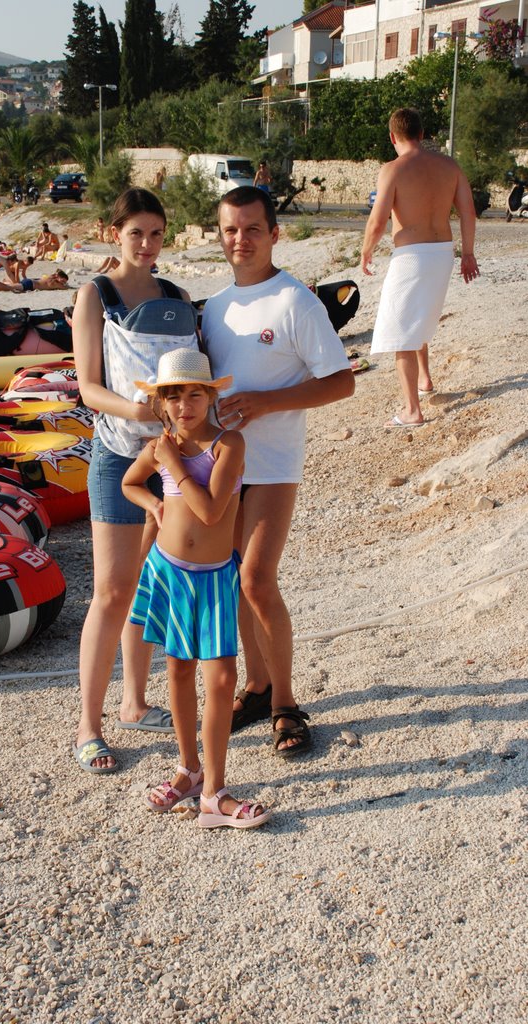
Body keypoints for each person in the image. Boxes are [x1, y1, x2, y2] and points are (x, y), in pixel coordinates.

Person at [201, 185, 355, 757]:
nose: (241, 240)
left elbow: (342, 381)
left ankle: (288, 702)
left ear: (274, 233)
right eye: (230, 230)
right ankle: (259, 686)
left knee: (258, 580)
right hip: (220, 464)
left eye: (252, 229)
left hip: (272, 465)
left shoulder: (296, 301)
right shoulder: (214, 307)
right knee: (236, 580)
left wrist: (266, 402)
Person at [71, 187, 200, 774]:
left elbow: (193, 377)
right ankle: (88, 728)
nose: (147, 245)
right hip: (119, 456)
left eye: (155, 233)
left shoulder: (177, 297)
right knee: (112, 591)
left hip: (173, 460)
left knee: (153, 587)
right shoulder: (95, 293)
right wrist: (137, 411)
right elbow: (87, 387)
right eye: (135, 234)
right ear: (113, 233)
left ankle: (134, 702)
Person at [122, 349, 271, 828]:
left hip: (214, 576)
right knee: (179, 673)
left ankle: (214, 791)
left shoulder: (229, 444)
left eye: (194, 394)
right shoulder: (159, 445)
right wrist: (154, 504)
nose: (184, 405)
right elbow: (130, 483)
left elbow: (210, 512)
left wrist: (172, 463)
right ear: (161, 403)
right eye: (173, 396)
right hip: (168, 571)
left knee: (223, 679)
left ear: (210, 395)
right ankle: (188, 769)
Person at [361, 107, 480, 427]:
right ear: (422, 134)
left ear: (392, 137)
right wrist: (467, 253)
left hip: (411, 256)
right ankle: (425, 379)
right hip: (443, 253)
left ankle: (412, 410)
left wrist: (366, 250)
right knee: (420, 317)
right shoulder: (450, 166)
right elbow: (468, 213)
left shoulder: (392, 169)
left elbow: (378, 218)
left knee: (401, 331)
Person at [0, 268, 70, 292]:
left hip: (29, 281)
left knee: (8, 287)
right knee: (7, 287)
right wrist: (66, 285)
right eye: (64, 280)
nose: (64, 282)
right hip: (29, 285)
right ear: (60, 277)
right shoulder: (55, 283)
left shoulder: (51, 277)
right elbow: (66, 288)